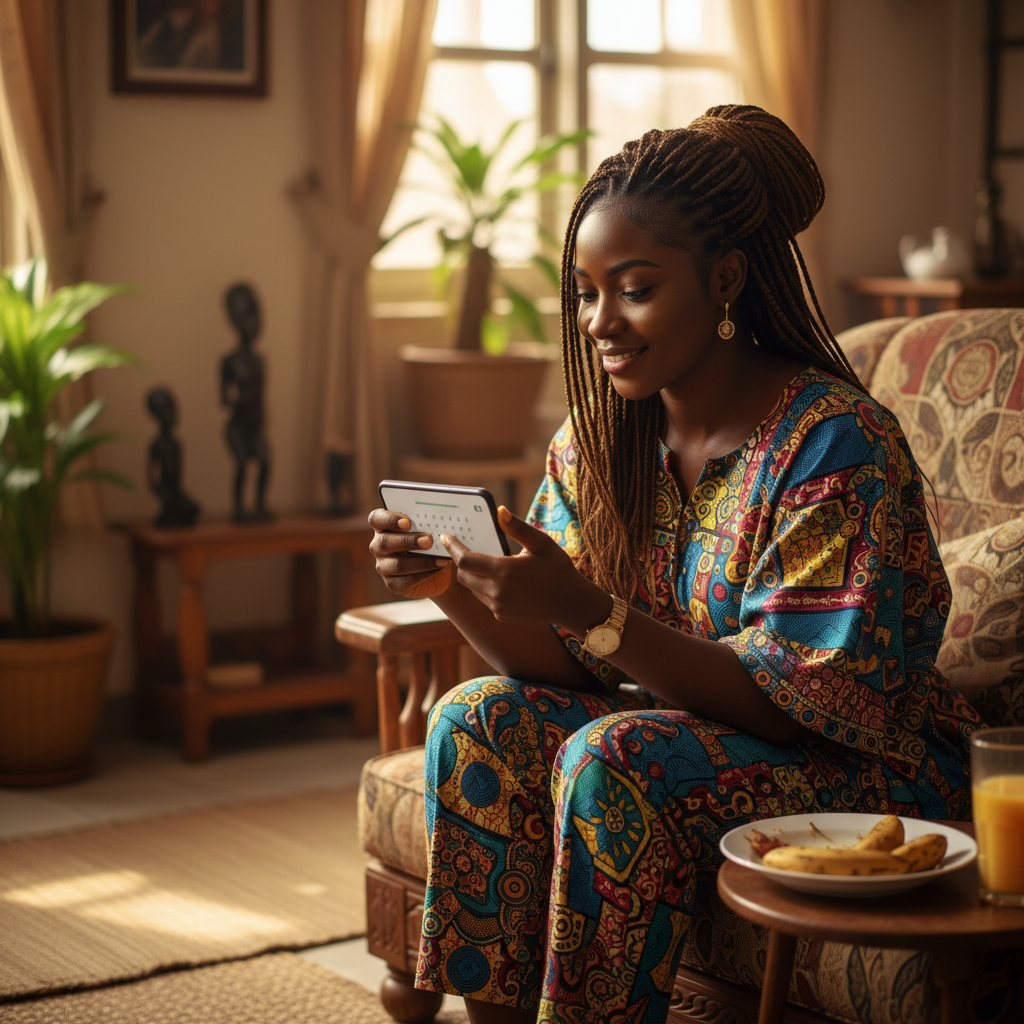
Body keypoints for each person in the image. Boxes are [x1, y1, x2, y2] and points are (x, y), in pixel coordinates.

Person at [368, 106, 981, 1024]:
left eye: (634, 288)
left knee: (613, 754)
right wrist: (452, 588)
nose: (600, 323)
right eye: (584, 292)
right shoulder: (601, 440)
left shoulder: (837, 446)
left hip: (857, 768)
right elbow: (562, 663)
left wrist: (589, 610)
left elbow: (794, 700)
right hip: (684, 739)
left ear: (726, 279)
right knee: (477, 716)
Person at [221, 282, 272, 522]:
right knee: (242, 463)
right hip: (238, 426)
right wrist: (240, 401)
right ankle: (240, 509)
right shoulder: (229, 361)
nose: (250, 324)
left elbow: (262, 397)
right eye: (244, 317)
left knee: (265, 462)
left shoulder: (260, 361)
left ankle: (260, 506)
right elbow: (223, 398)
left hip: (255, 426)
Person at [145, 387, 200, 528]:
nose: (170, 415)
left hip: (176, 493)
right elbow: (152, 477)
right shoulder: (157, 445)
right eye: (163, 410)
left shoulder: (176, 445)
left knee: (192, 510)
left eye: (171, 408)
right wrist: (161, 492)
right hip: (167, 494)